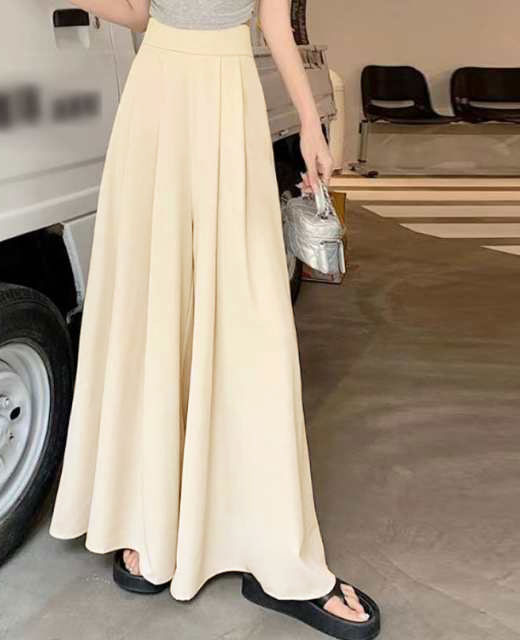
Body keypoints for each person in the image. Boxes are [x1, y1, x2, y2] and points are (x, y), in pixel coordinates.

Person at [49, 1, 380, 638]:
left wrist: (310, 123)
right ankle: (147, 516)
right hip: (157, 94)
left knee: (252, 316)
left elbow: (275, 23)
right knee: (154, 299)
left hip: (231, 97)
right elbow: (141, 12)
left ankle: (273, 545)